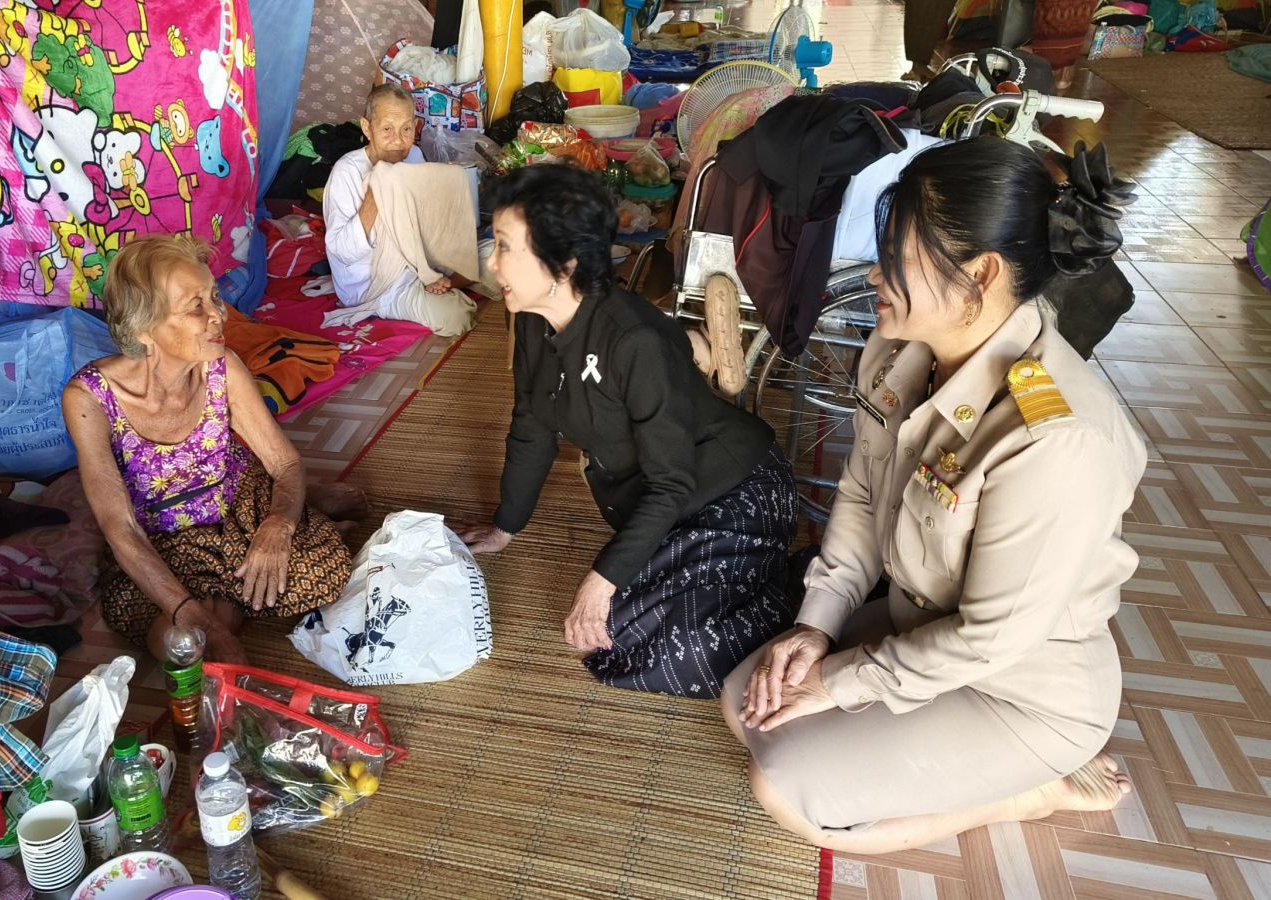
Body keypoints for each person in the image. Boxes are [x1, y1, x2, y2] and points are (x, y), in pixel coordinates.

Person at [722, 138, 1141, 854]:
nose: (873, 272)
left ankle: (1031, 793)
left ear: (980, 274)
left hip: (1020, 689)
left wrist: (837, 682)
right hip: (918, 628)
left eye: (896, 255)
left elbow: (989, 640)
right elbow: (861, 496)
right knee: (745, 706)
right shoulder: (898, 353)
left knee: (784, 787)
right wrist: (816, 628)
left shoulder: (1057, 438)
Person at [455, 166, 799, 698]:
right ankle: (724, 578)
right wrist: (506, 526)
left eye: (504, 246)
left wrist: (599, 582)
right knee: (612, 637)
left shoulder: (634, 340)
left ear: (565, 263)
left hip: (733, 490)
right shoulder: (529, 318)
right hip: (666, 505)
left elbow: (671, 482)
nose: (492, 262)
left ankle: (809, 593)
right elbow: (531, 426)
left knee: (683, 650)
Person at [63, 235, 364, 664]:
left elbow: (284, 461)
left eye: (214, 298)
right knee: (179, 642)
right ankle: (302, 514)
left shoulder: (221, 366)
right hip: (160, 538)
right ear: (143, 329)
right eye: (195, 307)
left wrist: (278, 526)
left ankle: (293, 508)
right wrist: (192, 615)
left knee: (321, 574)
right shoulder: (89, 398)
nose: (218, 316)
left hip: (234, 506)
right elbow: (121, 528)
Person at [323, 83, 480, 337]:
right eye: (387, 129)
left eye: (406, 129)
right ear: (367, 128)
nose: (398, 140)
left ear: (415, 126)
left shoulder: (414, 155)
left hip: (419, 263)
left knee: (496, 258)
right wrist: (376, 193)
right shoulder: (347, 172)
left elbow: (426, 220)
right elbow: (342, 252)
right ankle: (444, 284)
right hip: (378, 285)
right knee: (455, 316)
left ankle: (445, 280)